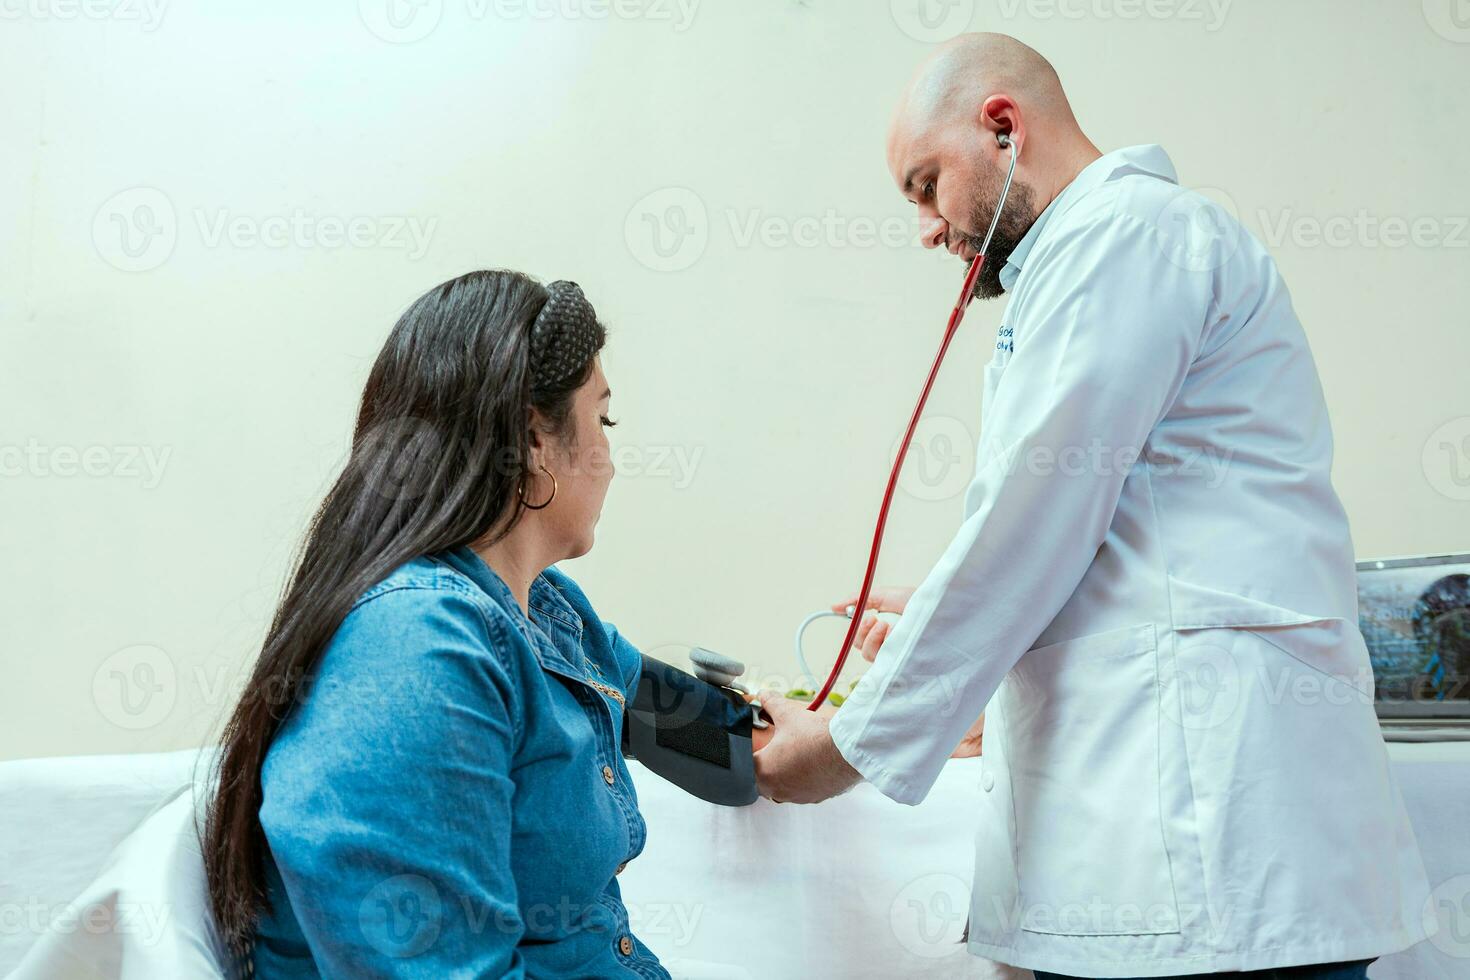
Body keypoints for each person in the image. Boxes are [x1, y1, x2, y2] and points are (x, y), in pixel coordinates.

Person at [752, 33, 1434, 979]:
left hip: (1209, 856)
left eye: (924, 184)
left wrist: (841, 748)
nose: (926, 227)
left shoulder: (1128, 236)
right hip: (1185, 853)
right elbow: (1113, 534)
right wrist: (958, 617)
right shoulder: (1100, 257)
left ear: (1001, 127)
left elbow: (1029, 525)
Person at [203, 271, 679, 978]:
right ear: (534, 440)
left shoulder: (544, 613)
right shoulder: (418, 651)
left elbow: (691, 725)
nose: (609, 461)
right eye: (601, 421)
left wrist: (845, 719)